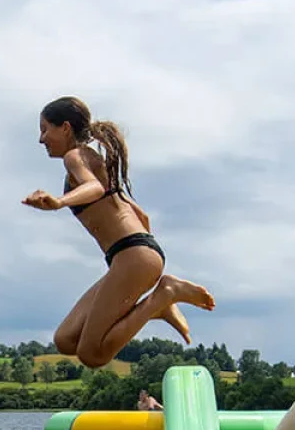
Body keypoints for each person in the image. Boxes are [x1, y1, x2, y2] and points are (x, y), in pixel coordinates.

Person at [22, 96, 214, 368]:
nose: (41, 139)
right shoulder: (96, 162)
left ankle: (164, 294)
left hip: (132, 255)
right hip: (134, 255)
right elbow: (141, 216)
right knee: (66, 340)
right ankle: (158, 306)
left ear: (65, 128)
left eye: (45, 129)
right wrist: (145, 267)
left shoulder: (75, 156)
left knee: (92, 355)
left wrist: (59, 202)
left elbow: (94, 189)